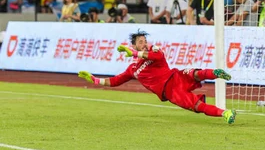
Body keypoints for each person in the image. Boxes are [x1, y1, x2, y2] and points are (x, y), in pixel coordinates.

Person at [78, 30, 236, 123]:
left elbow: (158, 56)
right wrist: (94, 79)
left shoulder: (154, 50)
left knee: (195, 73)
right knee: (196, 106)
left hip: (176, 76)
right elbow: (115, 81)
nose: (144, 43)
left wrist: (134, 52)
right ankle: (225, 113)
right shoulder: (132, 69)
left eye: (145, 41)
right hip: (170, 92)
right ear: (133, 45)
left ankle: (216, 73)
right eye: (140, 42)